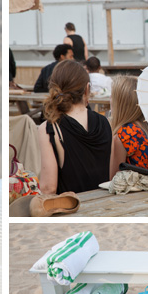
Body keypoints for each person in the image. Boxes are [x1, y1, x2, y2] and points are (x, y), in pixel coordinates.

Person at [37, 60, 118, 194]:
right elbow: (112, 176)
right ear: (87, 89)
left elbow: (48, 188)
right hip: (104, 203)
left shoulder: (50, 128)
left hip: (71, 205)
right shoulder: (106, 122)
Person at [109, 76, 148, 175]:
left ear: (120, 103)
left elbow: (114, 180)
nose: (109, 100)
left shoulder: (124, 136)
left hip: (136, 186)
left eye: (112, 96)